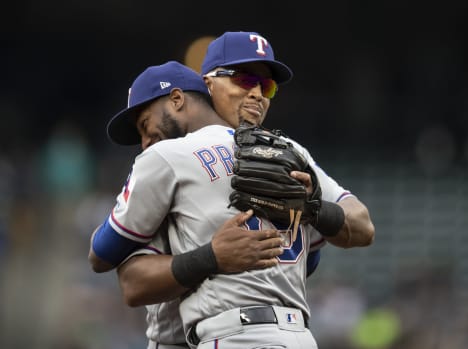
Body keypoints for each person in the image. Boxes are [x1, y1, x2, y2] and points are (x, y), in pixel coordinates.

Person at [93, 32, 374, 348]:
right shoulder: (286, 152)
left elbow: (360, 227)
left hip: (229, 333)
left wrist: (315, 208)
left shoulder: (289, 155)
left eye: (266, 86)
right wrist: (213, 256)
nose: (257, 94)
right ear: (208, 85)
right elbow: (311, 261)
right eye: (244, 79)